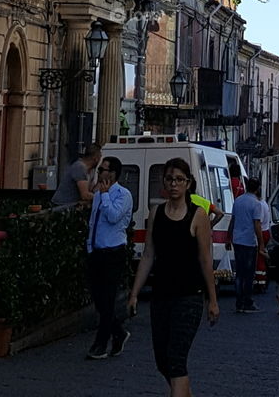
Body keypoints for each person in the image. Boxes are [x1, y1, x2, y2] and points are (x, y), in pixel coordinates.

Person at [128, 156, 218, 395]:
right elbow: (148, 255)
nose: (174, 184)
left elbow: (205, 259)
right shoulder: (156, 213)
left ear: (188, 183)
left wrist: (213, 299)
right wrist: (135, 293)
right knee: (163, 361)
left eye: (180, 179)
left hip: (189, 297)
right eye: (170, 179)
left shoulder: (198, 215)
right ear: (164, 183)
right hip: (161, 297)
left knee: (176, 361)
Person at [85, 155, 133, 361]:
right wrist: (89, 246)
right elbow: (93, 222)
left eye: (102, 170)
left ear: (112, 174)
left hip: (113, 252)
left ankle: (101, 343)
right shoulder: (98, 195)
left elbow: (113, 217)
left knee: (108, 298)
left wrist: (104, 196)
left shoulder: (123, 195)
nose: (99, 173)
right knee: (99, 298)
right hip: (97, 251)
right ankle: (119, 332)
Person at [226, 178, 264, 314]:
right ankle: (247, 301)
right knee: (249, 274)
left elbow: (233, 220)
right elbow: (257, 224)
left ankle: (239, 302)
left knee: (239, 273)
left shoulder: (238, 200)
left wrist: (228, 237)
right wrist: (261, 244)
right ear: (257, 188)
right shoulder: (256, 203)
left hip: (237, 240)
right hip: (249, 241)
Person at [51, 144, 101, 209]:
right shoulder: (80, 167)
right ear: (96, 158)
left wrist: (100, 181)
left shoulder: (91, 170)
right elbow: (85, 195)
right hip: (62, 206)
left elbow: (91, 191)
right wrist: (101, 198)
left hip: (72, 206)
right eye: (100, 156)